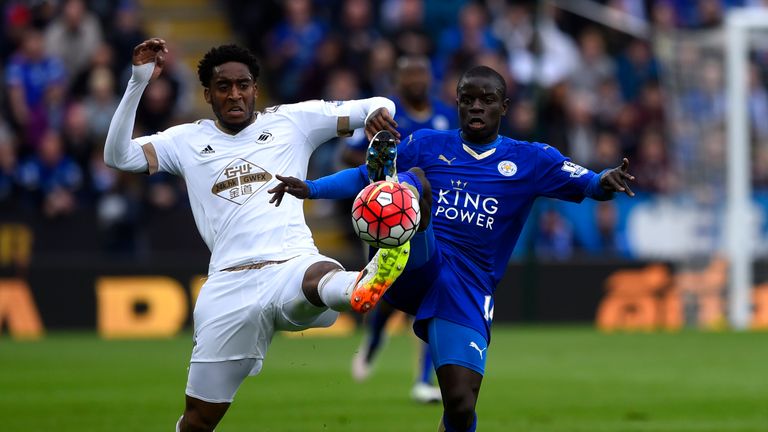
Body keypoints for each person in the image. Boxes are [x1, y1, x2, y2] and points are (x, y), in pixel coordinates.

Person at [269, 65, 635, 432]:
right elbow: (359, 177)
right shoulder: (427, 144)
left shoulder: (532, 159)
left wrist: (608, 178)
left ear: (504, 107)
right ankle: (388, 237)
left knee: (460, 405)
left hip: (468, 287)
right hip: (419, 264)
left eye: (487, 100)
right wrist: (311, 188)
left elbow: (589, 184)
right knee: (416, 183)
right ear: (457, 104)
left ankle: (392, 216)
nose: (476, 107)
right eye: (467, 100)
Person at [103, 38, 411, 432]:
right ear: (208, 95)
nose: (235, 94)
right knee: (198, 421)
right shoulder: (184, 140)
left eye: (243, 84)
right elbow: (118, 156)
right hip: (228, 286)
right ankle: (357, 282)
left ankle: (365, 280)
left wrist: (377, 116)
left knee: (317, 279)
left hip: (291, 265)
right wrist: (138, 81)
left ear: (255, 88)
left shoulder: (292, 121)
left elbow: (378, 103)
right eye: (224, 87)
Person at [344, 55, 456, 404]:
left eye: (422, 72)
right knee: (389, 300)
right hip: (390, 219)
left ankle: (423, 381)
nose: (417, 80)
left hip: (432, 219)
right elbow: (348, 156)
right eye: (409, 75)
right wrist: (386, 176)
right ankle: (373, 342)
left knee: (433, 298)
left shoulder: (446, 117)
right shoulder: (387, 119)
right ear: (398, 81)